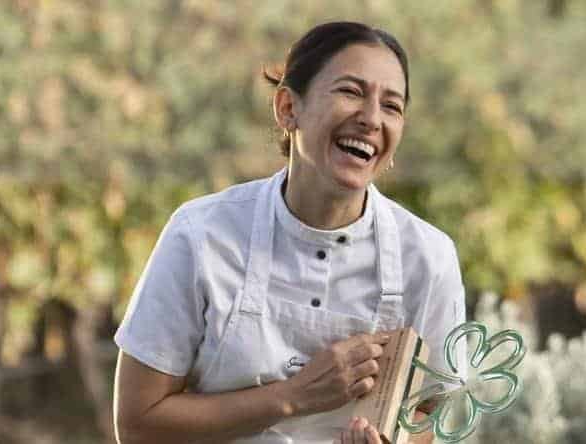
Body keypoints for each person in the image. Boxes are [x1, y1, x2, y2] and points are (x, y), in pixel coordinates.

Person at [113, 21, 466, 444]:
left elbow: (433, 420)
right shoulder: (201, 235)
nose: (372, 119)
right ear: (287, 108)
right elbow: (137, 425)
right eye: (351, 91)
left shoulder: (428, 258)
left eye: (391, 106)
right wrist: (293, 397)